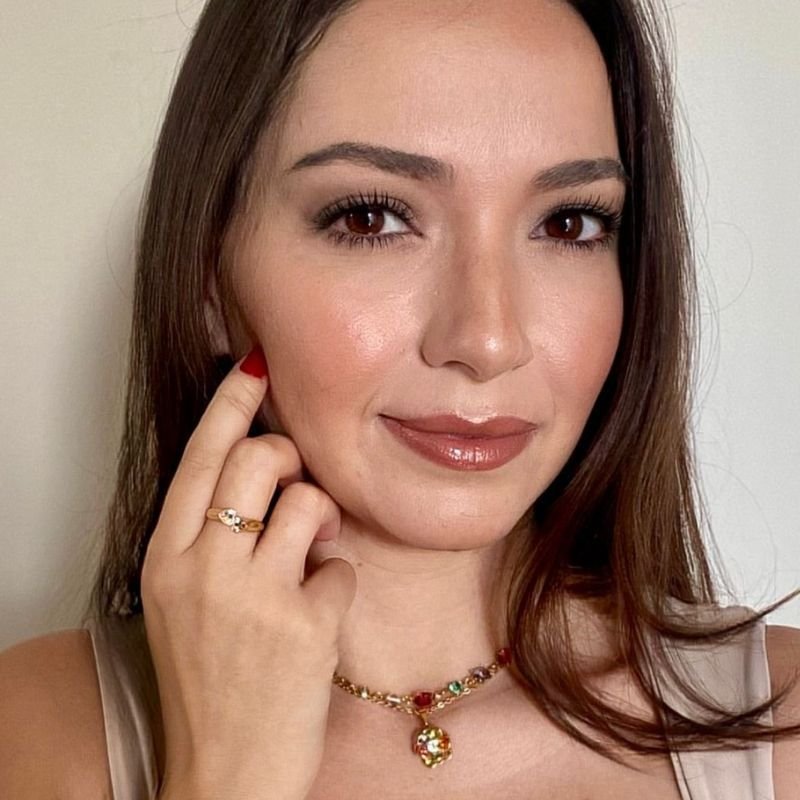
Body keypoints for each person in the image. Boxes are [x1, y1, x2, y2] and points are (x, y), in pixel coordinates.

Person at [1, 0, 799, 797]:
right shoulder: (33, 732)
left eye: (568, 224)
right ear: (210, 277)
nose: (488, 339)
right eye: (371, 217)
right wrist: (227, 773)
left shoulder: (785, 728)